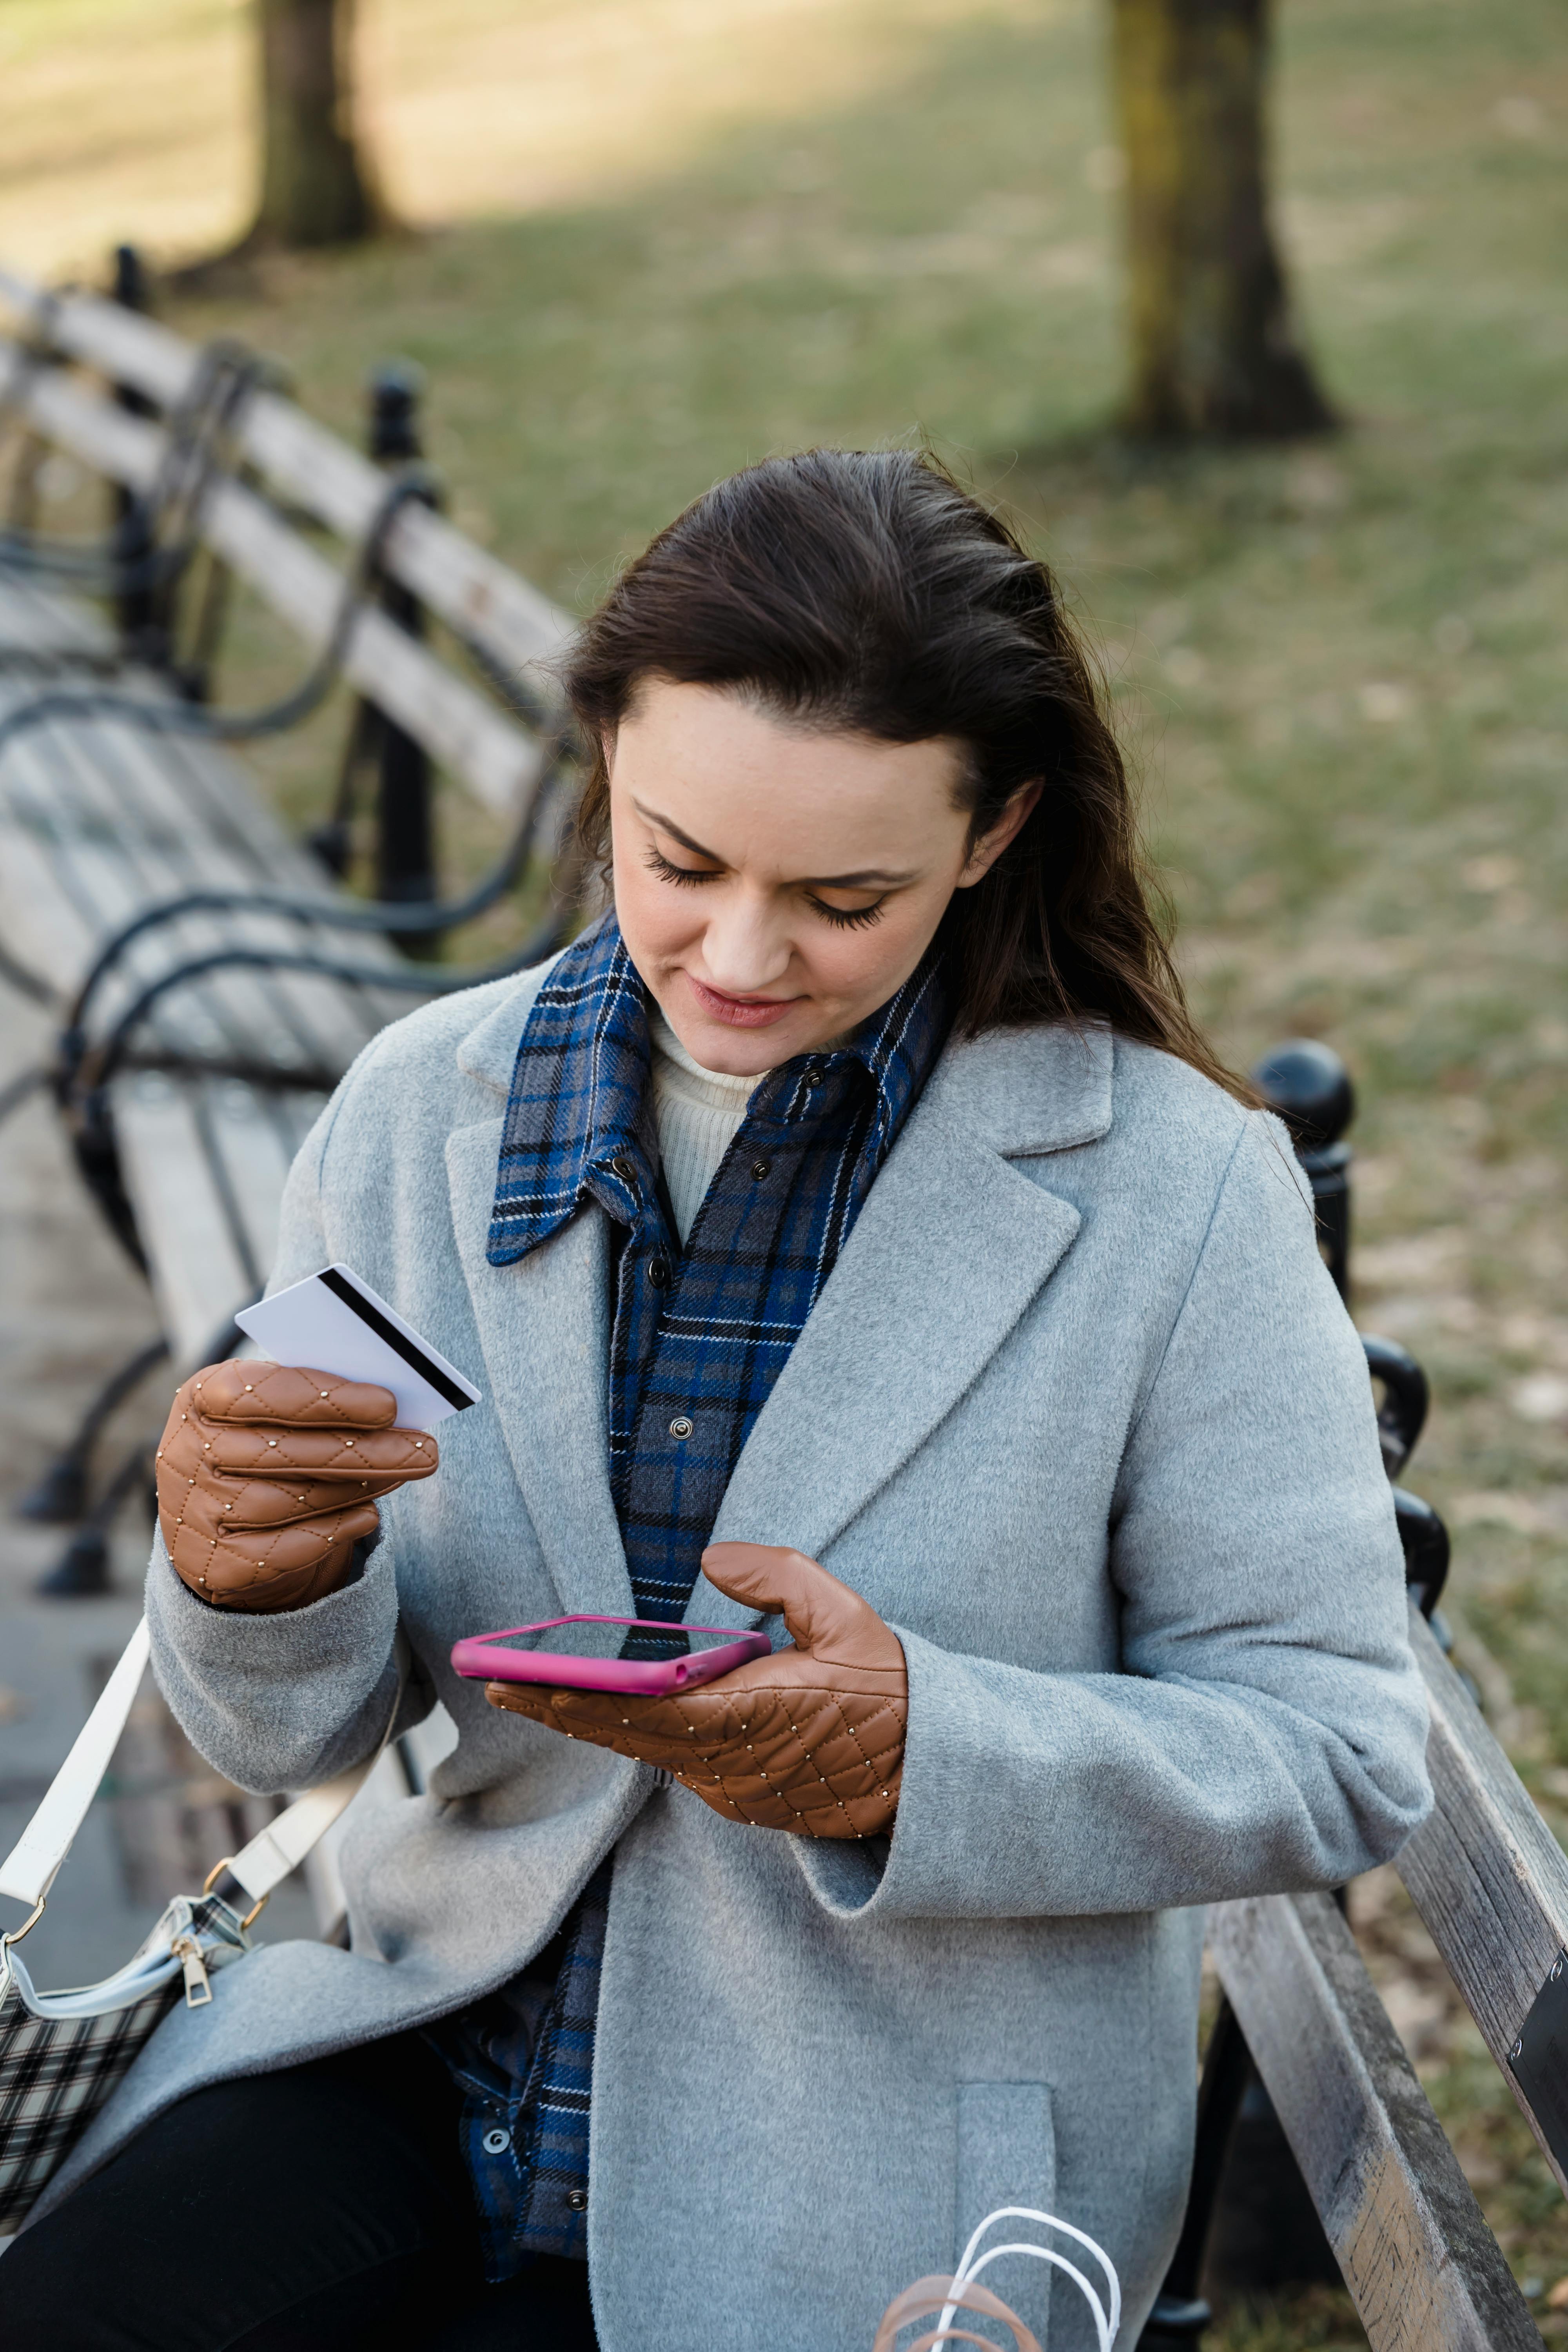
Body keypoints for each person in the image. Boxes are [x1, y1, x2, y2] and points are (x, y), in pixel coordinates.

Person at [0, 450, 1432, 2351]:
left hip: (891, 2174)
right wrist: (247, 1579)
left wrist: (927, 1754)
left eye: (845, 896)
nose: (741, 959)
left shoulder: (1173, 1190)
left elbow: (1336, 1745)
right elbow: (289, 1739)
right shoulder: (419, 1112)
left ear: (994, 833)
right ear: (601, 762)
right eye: (677, 861)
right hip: (429, 2050)